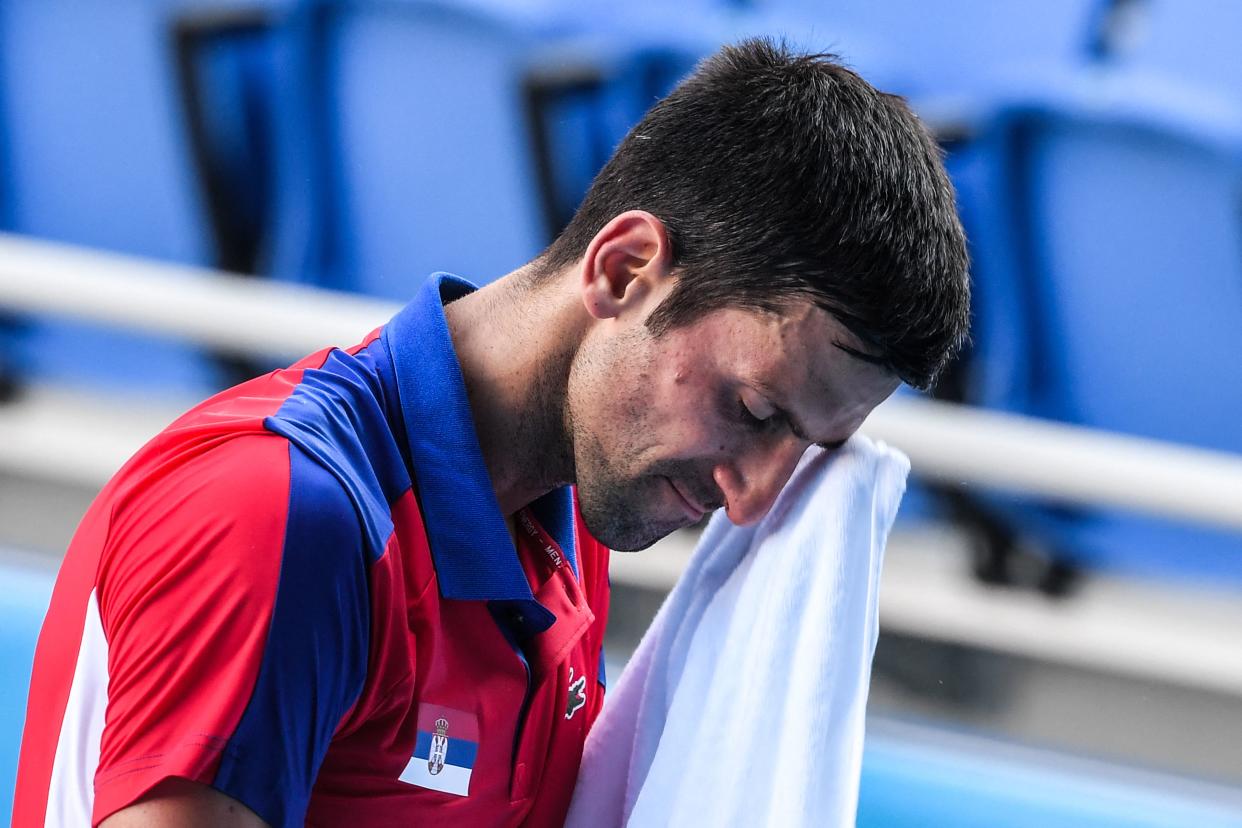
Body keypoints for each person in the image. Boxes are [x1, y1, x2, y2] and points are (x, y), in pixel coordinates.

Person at [14, 37, 969, 827]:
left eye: (802, 447)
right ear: (627, 270)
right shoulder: (278, 519)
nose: (754, 496)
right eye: (755, 411)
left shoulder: (567, 527)